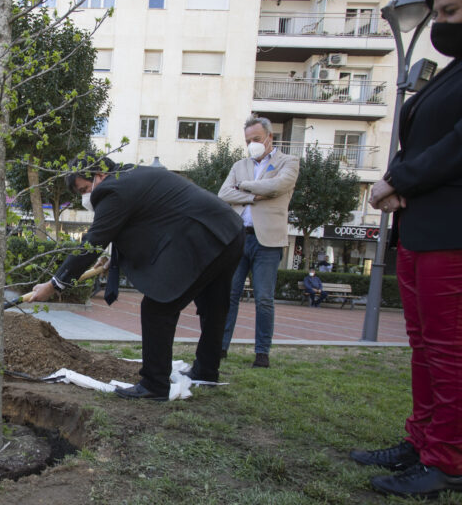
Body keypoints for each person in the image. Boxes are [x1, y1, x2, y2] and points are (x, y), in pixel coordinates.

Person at [350, 0, 462, 499]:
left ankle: (446, 462)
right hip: (425, 227)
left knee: (452, 347)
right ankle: (422, 442)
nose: (440, 23)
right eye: (437, 12)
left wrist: (400, 179)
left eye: (451, 12)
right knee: (427, 344)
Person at [28, 155, 245, 401]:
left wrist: (55, 284)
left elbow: (93, 241)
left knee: (157, 309)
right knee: (213, 305)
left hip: (205, 236)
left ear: (99, 175)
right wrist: (112, 259)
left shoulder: (112, 189)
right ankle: (206, 371)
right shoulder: (129, 175)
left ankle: (154, 384)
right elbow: (141, 224)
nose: (85, 197)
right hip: (230, 230)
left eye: (84, 189)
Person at [217, 116, 299, 366]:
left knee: (264, 299)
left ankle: (262, 352)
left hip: (268, 242)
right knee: (229, 295)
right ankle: (219, 348)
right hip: (239, 237)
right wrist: (253, 195)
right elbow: (224, 193)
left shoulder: (288, 162)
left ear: (269, 137)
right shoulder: (239, 165)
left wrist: (243, 187)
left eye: (256, 139)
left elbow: (277, 186)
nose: (252, 144)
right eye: (248, 141)